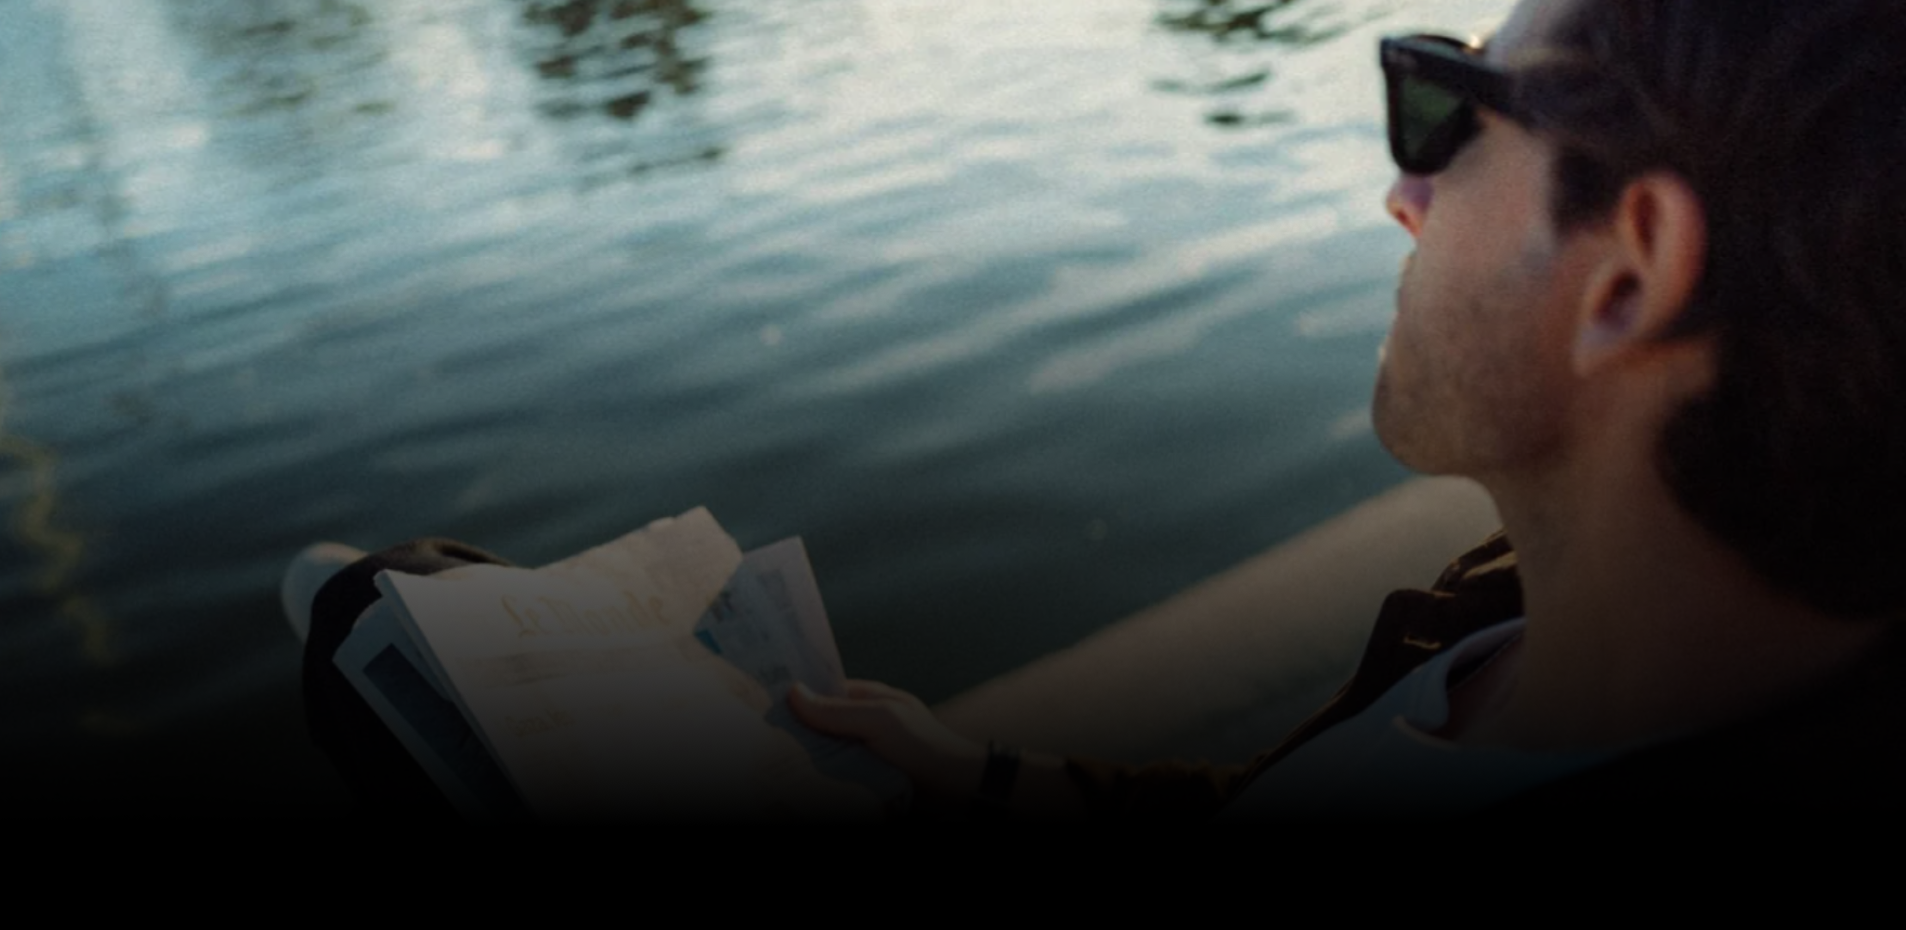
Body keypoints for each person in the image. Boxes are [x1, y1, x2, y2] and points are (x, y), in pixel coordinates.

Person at [784, 0, 1906, 818]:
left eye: (1446, 115)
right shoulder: (1505, 620)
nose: (1402, 193)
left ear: (1626, 276)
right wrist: (982, 780)